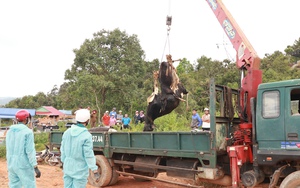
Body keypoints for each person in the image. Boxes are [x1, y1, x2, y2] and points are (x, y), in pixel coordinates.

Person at [61, 109, 100, 187]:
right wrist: (94, 169)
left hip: (68, 167)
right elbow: (88, 154)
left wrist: (64, 161)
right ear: (87, 121)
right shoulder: (86, 135)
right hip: (80, 169)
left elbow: (63, 150)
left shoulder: (67, 132)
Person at [6, 109, 41, 188]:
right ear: (26, 119)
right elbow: (30, 151)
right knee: (29, 185)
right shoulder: (27, 132)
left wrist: (9, 164)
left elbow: (8, 149)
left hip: (11, 164)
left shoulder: (10, 131)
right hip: (23, 165)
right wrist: (35, 166)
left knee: (14, 185)